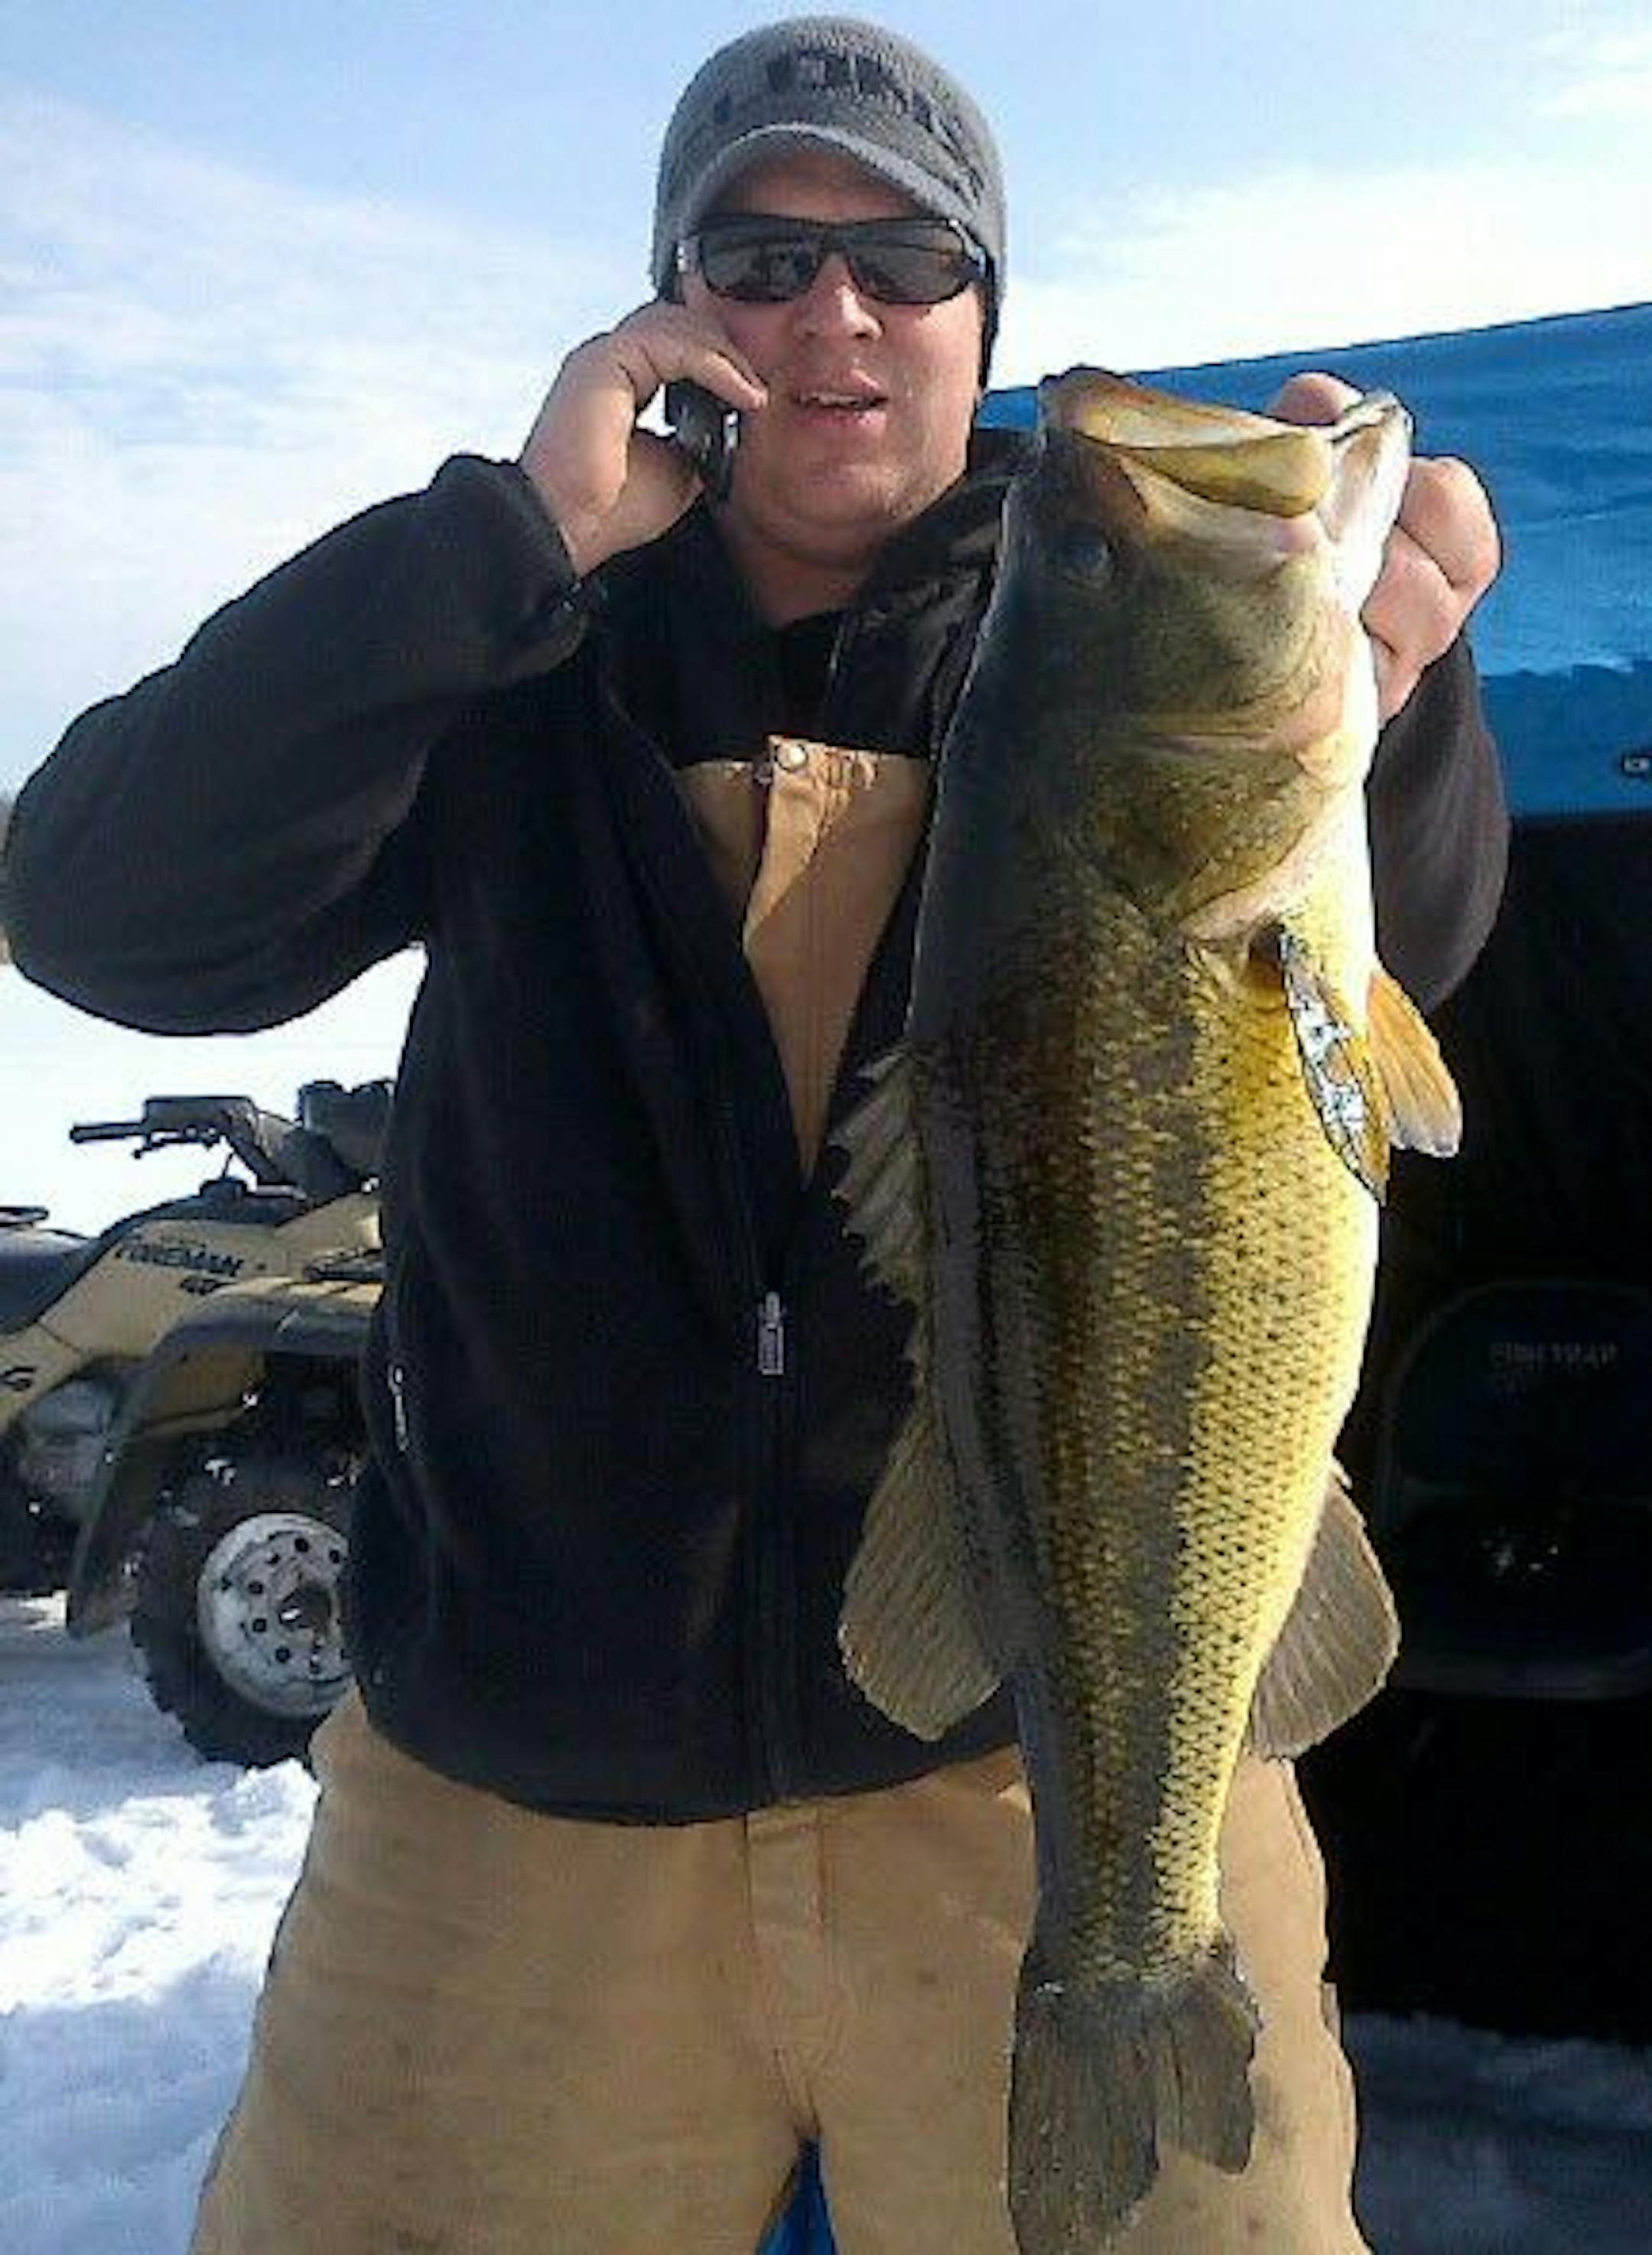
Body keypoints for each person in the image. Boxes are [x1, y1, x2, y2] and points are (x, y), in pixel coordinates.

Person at [3, 17, 1507, 2253]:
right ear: (666, 311)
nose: (838, 312)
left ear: (984, 315)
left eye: (905, 255)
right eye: (762, 254)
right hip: (516, 1796)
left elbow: (1422, 943)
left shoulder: (1088, 622)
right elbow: (99, 903)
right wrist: (494, 544)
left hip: (1035, 1764)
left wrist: (1391, 714)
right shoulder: (518, 647)